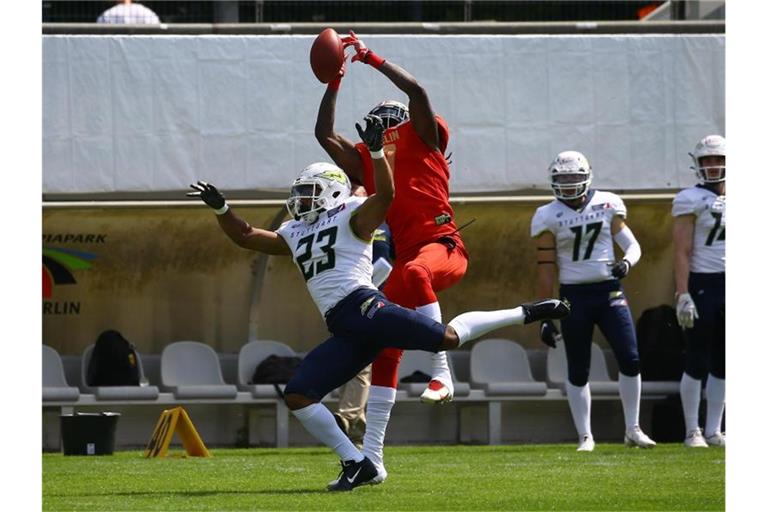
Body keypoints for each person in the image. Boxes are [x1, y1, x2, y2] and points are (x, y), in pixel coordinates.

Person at [188, 115, 569, 491]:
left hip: (365, 307)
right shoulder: (293, 230)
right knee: (299, 395)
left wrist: (374, 152)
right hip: (342, 324)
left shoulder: (352, 215)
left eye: (309, 192)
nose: (301, 200)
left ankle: (529, 311)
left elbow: (386, 196)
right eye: (299, 193)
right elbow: (246, 236)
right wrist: (222, 209)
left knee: (448, 339)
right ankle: (357, 462)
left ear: (333, 191)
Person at [315, 31, 468, 481]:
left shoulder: (426, 138)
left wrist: (368, 56)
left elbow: (416, 91)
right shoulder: (369, 157)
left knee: (418, 271)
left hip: (443, 246)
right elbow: (324, 134)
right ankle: (374, 460)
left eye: (390, 117)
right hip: (406, 258)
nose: (383, 122)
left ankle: (443, 372)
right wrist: (335, 79)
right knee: (385, 351)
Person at [531, 151, 656, 452]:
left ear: (587, 176)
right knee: (578, 366)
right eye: (563, 178)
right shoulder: (547, 215)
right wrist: (545, 314)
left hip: (609, 291)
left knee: (630, 357)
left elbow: (632, 246)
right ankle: (585, 436)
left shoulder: (607, 204)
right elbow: (546, 268)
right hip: (573, 295)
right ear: (554, 181)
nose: (570, 184)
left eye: (574, 177)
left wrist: (626, 263)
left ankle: (632, 428)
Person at [672, 135, 726, 448]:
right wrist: (682, 292)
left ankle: (713, 429)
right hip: (703, 283)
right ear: (697, 164)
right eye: (706, 160)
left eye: (718, 159)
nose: (712, 165)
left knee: (724, 361)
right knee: (697, 358)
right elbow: (682, 250)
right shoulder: (690, 198)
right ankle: (692, 429)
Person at [334, 194, 394, 449]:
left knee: (362, 362)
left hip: (380, 302)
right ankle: (356, 426)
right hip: (351, 300)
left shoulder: (386, 226)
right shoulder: (342, 227)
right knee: (358, 360)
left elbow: (396, 260)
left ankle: (349, 419)